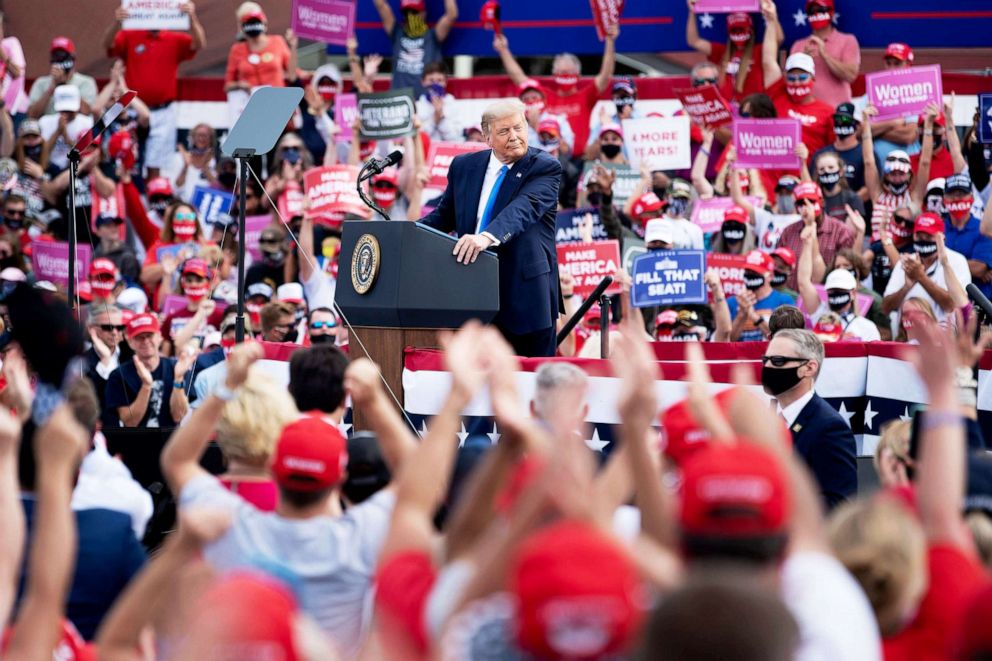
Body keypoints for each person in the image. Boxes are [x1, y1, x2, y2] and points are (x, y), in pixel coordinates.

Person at [161, 345, 416, 657]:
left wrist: (227, 386)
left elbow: (177, 461)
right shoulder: (357, 540)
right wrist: (373, 401)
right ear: (339, 480)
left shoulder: (234, 528)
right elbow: (418, 480)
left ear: (273, 469)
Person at [421, 99, 562, 357]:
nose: (514, 137)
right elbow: (444, 217)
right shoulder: (464, 166)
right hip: (473, 295)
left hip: (525, 300)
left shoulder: (544, 167)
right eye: (504, 131)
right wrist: (404, 234)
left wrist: (485, 237)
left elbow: (522, 209)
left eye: (519, 128)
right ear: (487, 137)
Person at [104, 1, 205, 178]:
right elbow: (108, 45)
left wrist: (192, 17)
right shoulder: (129, 34)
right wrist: (116, 22)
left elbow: (199, 44)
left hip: (163, 111)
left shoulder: (174, 38)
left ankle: (153, 203)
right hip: (134, 110)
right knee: (128, 160)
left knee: (155, 166)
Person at [762, 328, 857, 508]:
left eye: (778, 361)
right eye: (765, 360)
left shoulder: (829, 427)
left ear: (809, 368)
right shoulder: (767, 420)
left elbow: (839, 504)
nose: (768, 367)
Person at [493, 26, 618, 153]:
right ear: (554, 74)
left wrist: (610, 42)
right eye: (561, 72)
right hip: (549, 156)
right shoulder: (543, 95)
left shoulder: (586, 96)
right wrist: (503, 50)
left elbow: (606, 75)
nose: (565, 76)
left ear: (578, 75)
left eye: (569, 72)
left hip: (578, 160)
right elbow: (519, 77)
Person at [760, 1, 836, 156]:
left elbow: (832, 151)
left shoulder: (827, 112)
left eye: (802, 77)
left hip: (808, 175)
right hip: (776, 172)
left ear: (812, 78)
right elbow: (768, 61)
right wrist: (771, 19)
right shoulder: (778, 95)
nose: (796, 82)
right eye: (791, 78)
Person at [103, 312, 194, 428]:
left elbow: (178, 416)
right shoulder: (118, 375)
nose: (145, 341)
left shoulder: (176, 368)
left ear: (160, 337)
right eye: (139, 337)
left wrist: (178, 380)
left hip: (170, 442)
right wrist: (146, 386)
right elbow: (130, 422)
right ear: (130, 342)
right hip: (135, 443)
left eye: (149, 335)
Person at [883, 212, 971, 326]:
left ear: (941, 238)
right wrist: (906, 287)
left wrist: (921, 277)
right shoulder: (905, 262)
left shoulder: (956, 261)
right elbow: (885, 308)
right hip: (906, 338)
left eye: (928, 236)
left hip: (944, 339)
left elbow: (954, 305)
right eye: (919, 236)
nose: (923, 240)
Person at [686, 6, 779, 101]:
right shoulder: (721, 51)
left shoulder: (759, 50)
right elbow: (694, 41)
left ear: (750, 30)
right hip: (725, 108)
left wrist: (772, 17)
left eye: (742, 29)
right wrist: (692, 12)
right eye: (734, 30)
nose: (738, 33)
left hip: (751, 108)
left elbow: (778, 39)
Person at [775, 181, 857, 290]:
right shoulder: (788, 232)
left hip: (826, 297)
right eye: (801, 203)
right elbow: (778, 268)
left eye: (811, 201)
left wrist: (810, 226)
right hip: (793, 297)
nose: (806, 207)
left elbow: (849, 270)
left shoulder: (841, 231)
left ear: (822, 202)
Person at [372, 0, 457, 97]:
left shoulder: (433, 36)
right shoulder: (397, 33)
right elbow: (381, 6)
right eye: (407, 13)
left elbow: (451, 15)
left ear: (424, 14)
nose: (410, 16)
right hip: (398, 100)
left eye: (415, 12)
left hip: (425, 101)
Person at [798, 244, 881, 341]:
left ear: (853, 293)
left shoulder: (867, 327)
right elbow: (803, 283)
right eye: (832, 290)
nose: (836, 294)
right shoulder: (820, 316)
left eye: (841, 290)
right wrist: (808, 242)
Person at [789, 0, 860, 107]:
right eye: (812, 11)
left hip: (837, 113)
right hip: (806, 113)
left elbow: (850, 76)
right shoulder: (798, 45)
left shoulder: (848, 40)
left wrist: (825, 55)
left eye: (821, 10)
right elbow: (789, 81)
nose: (816, 14)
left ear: (831, 12)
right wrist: (802, 61)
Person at [224, 3, 298, 93]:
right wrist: (240, 85)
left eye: (255, 19)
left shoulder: (277, 41)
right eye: (247, 21)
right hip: (250, 102)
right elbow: (228, 84)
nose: (252, 23)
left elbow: (293, 74)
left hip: (277, 100)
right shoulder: (237, 49)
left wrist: (293, 46)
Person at [941, 172, 992, 298]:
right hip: (944, 299)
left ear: (972, 198)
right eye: (951, 194)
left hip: (979, 303)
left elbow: (979, 268)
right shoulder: (938, 228)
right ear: (944, 199)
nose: (956, 198)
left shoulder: (983, 228)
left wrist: (941, 261)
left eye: (961, 193)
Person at [727, 250, 795, 341]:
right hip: (740, 354)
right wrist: (741, 314)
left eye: (756, 272)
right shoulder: (732, 302)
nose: (751, 276)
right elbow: (728, 341)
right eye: (748, 271)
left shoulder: (784, 302)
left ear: (770, 276)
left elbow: (784, 340)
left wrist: (755, 317)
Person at [27, 36, 97, 119]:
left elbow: (86, 111)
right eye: (56, 56)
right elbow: (32, 115)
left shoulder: (86, 82)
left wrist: (64, 84)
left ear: (72, 58)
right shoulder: (41, 83)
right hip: (48, 128)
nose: (59, 60)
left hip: (75, 128)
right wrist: (51, 89)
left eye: (63, 56)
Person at [812, 102, 870, 201]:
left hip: (855, 211)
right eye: (837, 119)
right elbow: (812, 185)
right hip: (825, 211)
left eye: (845, 119)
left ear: (858, 124)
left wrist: (844, 204)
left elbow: (869, 189)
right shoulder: (821, 155)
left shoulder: (865, 153)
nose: (840, 122)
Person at [415, 61, 461, 142]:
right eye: (431, 80)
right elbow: (418, 138)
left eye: (439, 80)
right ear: (423, 82)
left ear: (445, 82)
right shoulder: (417, 107)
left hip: (447, 152)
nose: (435, 84)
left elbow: (455, 138)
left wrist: (441, 118)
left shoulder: (452, 104)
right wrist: (434, 120)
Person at [813, 151, 864, 222]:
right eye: (822, 169)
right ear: (817, 174)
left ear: (841, 172)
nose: (826, 171)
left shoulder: (852, 198)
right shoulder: (815, 200)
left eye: (831, 167)